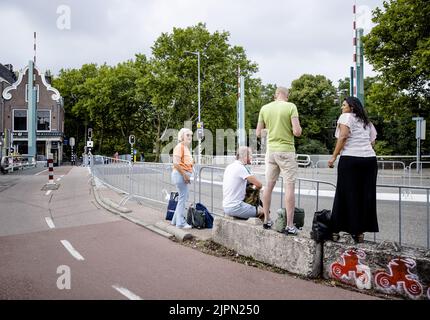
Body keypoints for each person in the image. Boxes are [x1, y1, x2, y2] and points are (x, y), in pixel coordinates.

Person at [328, 96, 379, 243]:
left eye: (344, 105)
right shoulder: (366, 121)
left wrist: (333, 157)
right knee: (364, 195)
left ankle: (336, 230)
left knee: (344, 193)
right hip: (369, 160)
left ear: (351, 107)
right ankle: (359, 232)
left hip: (351, 159)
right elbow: (372, 141)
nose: (342, 108)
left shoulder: (345, 117)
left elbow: (343, 137)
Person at [256, 87, 302, 234]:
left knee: (268, 186)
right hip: (286, 151)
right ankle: (289, 225)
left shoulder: (265, 108)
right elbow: (297, 132)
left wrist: (272, 131)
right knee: (289, 187)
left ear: (275, 95)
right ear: (287, 96)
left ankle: (267, 220)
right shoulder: (291, 107)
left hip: (271, 152)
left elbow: (258, 133)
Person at [222, 146, 264, 219]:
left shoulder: (230, 166)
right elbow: (259, 185)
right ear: (245, 156)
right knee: (264, 211)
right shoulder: (241, 168)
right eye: (250, 155)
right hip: (235, 207)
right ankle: (263, 227)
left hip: (226, 205)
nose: (251, 157)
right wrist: (254, 188)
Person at [171, 128, 194, 229]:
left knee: (182, 197)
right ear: (181, 137)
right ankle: (180, 223)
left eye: (191, 135)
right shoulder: (180, 146)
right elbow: (176, 163)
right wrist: (185, 175)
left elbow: (185, 162)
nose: (190, 137)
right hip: (180, 175)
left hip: (182, 175)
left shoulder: (185, 148)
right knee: (183, 198)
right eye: (187, 135)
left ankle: (175, 220)